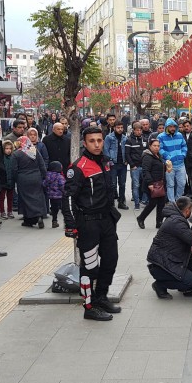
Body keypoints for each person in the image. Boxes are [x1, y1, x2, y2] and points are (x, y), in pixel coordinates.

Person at [62, 127, 122, 321]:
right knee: (89, 267)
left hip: (107, 221)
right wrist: (71, 225)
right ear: (85, 143)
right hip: (88, 223)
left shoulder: (106, 162)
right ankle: (89, 307)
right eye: (92, 141)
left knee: (110, 260)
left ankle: (101, 297)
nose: (97, 144)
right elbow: (69, 198)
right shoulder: (78, 167)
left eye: (99, 140)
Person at [147, 196, 192, 299]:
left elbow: (187, 239)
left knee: (190, 255)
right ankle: (159, 285)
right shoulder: (176, 222)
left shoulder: (175, 217)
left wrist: (190, 244)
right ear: (188, 210)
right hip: (160, 265)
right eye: (191, 209)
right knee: (190, 281)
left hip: (164, 259)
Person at [11, 136, 48, 229]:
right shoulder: (34, 151)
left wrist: (15, 180)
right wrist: (44, 176)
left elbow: (14, 169)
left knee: (25, 199)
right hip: (36, 176)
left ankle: (29, 220)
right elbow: (42, 165)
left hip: (23, 178)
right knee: (38, 197)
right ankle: (39, 215)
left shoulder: (16, 154)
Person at [137, 138, 169, 229]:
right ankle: (141, 218)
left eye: (158, 146)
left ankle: (159, 222)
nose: (156, 148)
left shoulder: (158, 155)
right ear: (150, 146)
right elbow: (145, 171)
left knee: (161, 203)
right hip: (151, 184)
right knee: (152, 203)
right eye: (154, 146)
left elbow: (159, 167)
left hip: (160, 184)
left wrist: (167, 168)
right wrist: (150, 183)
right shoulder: (147, 156)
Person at [158, 119, 188, 201]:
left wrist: (183, 155)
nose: (172, 128)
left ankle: (177, 199)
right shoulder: (161, 136)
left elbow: (184, 146)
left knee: (182, 184)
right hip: (170, 165)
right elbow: (160, 149)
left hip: (181, 164)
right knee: (170, 184)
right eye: (170, 126)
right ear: (167, 127)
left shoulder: (179, 135)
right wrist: (168, 157)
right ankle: (172, 202)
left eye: (174, 126)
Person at [105, 120, 129, 210]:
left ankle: (121, 202)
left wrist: (127, 160)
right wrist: (109, 161)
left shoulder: (124, 138)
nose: (120, 129)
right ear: (114, 128)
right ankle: (111, 203)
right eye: (118, 127)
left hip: (122, 164)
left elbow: (127, 150)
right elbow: (106, 150)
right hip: (113, 164)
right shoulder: (109, 137)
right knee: (113, 184)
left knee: (122, 184)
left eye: (121, 128)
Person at [124, 122, 147, 209]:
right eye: (137, 130)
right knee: (136, 185)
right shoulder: (129, 140)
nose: (139, 132)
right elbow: (127, 154)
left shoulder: (144, 139)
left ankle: (144, 201)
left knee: (145, 184)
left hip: (144, 166)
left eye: (140, 130)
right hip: (135, 167)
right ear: (133, 130)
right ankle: (137, 203)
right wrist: (132, 165)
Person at [0, 141, 16, 219]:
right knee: (2, 197)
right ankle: (2, 212)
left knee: (10, 197)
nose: (8, 150)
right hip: (3, 180)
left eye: (10, 148)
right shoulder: (1, 157)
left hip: (11, 179)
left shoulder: (13, 157)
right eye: (6, 148)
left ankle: (10, 211)